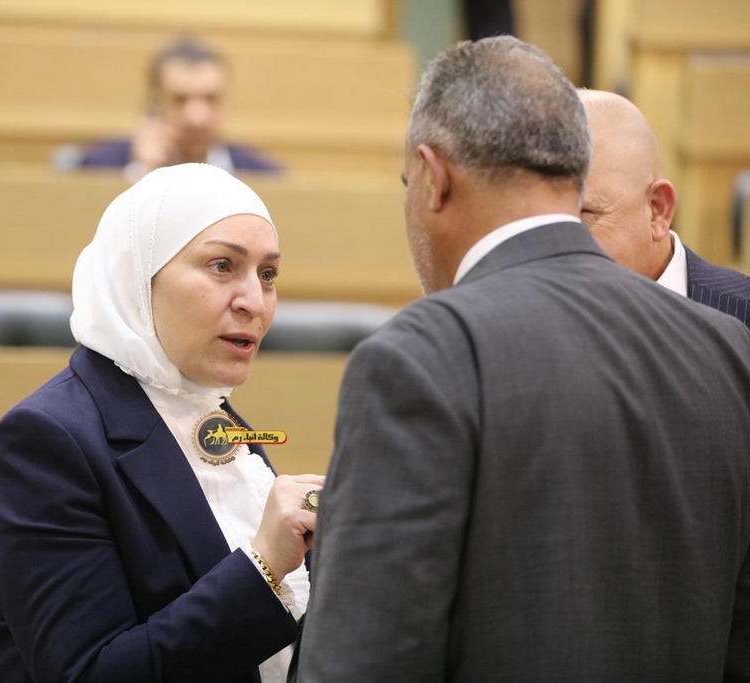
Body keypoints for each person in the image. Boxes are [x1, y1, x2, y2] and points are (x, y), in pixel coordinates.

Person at [297, 36, 750, 681]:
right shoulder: (727, 346)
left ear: (434, 176)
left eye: (406, 184)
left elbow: (361, 662)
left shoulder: (420, 356)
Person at [0, 163, 323, 683]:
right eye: (223, 266)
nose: (255, 302)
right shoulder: (44, 441)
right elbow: (90, 674)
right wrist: (266, 565)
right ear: (139, 278)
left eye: (267, 274)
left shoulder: (214, 416)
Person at [579, 88, 750, 328]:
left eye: (584, 216)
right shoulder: (527, 321)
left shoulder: (742, 316)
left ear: (657, 210)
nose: (556, 241)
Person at [80, 38, 281, 180]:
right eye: (180, 100)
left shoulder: (264, 176)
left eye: (211, 99)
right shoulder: (97, 168)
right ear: (154, 105)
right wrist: (142, 173)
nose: (197, 118)